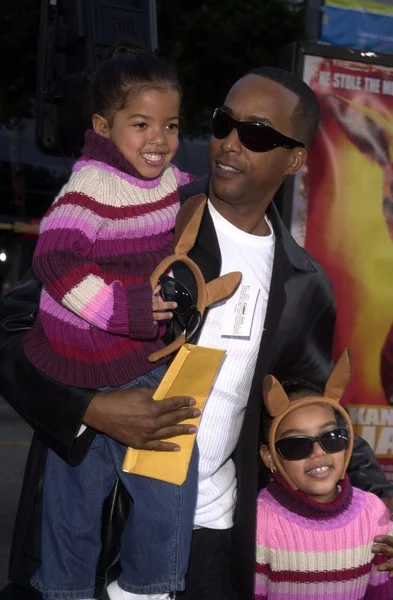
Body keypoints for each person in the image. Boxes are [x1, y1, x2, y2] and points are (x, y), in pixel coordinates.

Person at [2, 66, 393, 600]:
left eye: (256, 134)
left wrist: (382, 504)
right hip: (107, 525)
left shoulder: (304, 283)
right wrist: (88, 408)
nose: (230, 144)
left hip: (216, 533)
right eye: (223, 123)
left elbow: (314, 400)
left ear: (295, 159)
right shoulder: (143, 215)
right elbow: (14, 324)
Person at [26, 40, 200, 600]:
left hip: (130, 353)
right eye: (141, 124)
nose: (159, 140)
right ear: (103, 126)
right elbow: (52, 257)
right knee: (78, 500)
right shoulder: (94, 184)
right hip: (90, 357)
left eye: (171, 125)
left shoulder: (171, 184)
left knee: (159, 485)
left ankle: (142, 587)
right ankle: (69, 589)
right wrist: (123, 310)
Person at [257, 349, 393, 599]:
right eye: (298, 444)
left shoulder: (375, 515)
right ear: (269, 457)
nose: (318, 452)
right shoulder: (260, 523)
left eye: (331, 438)